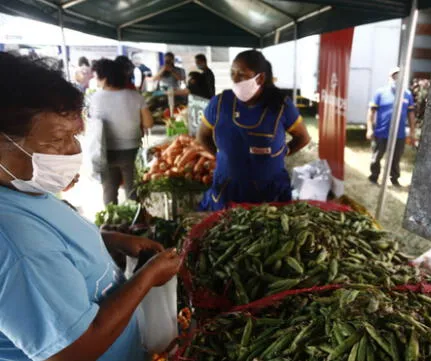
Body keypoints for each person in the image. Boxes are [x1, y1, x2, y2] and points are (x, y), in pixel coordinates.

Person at [0, 52, 181, 361]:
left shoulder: (23, 188)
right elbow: (71, 351)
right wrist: (147, 277)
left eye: (74, 135)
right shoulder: (16, 241)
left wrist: (111, 240)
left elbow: (55, 247)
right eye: (58, 139)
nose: (73, 150)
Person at [197, 50, 311, 211]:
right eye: (233, 74)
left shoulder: (281, 105)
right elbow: (202, 136)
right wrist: (222, 157)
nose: (235, 80)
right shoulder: (220, 103)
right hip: (228, 190)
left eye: (242, 75)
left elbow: (303, 137)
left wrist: (284, 152)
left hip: (270, 192)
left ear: (261, 78)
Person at [89, 59, 154, 205]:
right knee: (133, 192)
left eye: (97, 77)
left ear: (105, 78)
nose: (97, 81)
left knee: (109, 192)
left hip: (106, 151)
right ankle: (136, 223)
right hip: (132, 151)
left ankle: (111, 223)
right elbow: (149, 123)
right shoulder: (135, 96)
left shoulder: (95, 98)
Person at [366, 67, 416, 187]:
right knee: (377, 156)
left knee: (396, 158)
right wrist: (369, 128)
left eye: (399, 76)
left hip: (399, 134)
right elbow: (371, 112)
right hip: (381, 132)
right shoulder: (380, 93)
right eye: (394, 76)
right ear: (390, 78)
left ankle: (394, 179)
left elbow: (411, 114)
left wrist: (412, 131)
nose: (397, 79)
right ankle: (374, 177)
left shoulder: (407, 94)